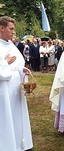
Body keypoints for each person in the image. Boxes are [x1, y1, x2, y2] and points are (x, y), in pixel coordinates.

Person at [0, 16, 33, 150]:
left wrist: (22, 69)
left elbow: (18, 63)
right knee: (5, 118)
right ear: (1, 28)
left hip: (15, 91)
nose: (13, 32)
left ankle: (19, 142)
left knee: (16, 116)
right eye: (11, 29)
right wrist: (5, 62)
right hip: (3, 90)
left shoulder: (11, 45)